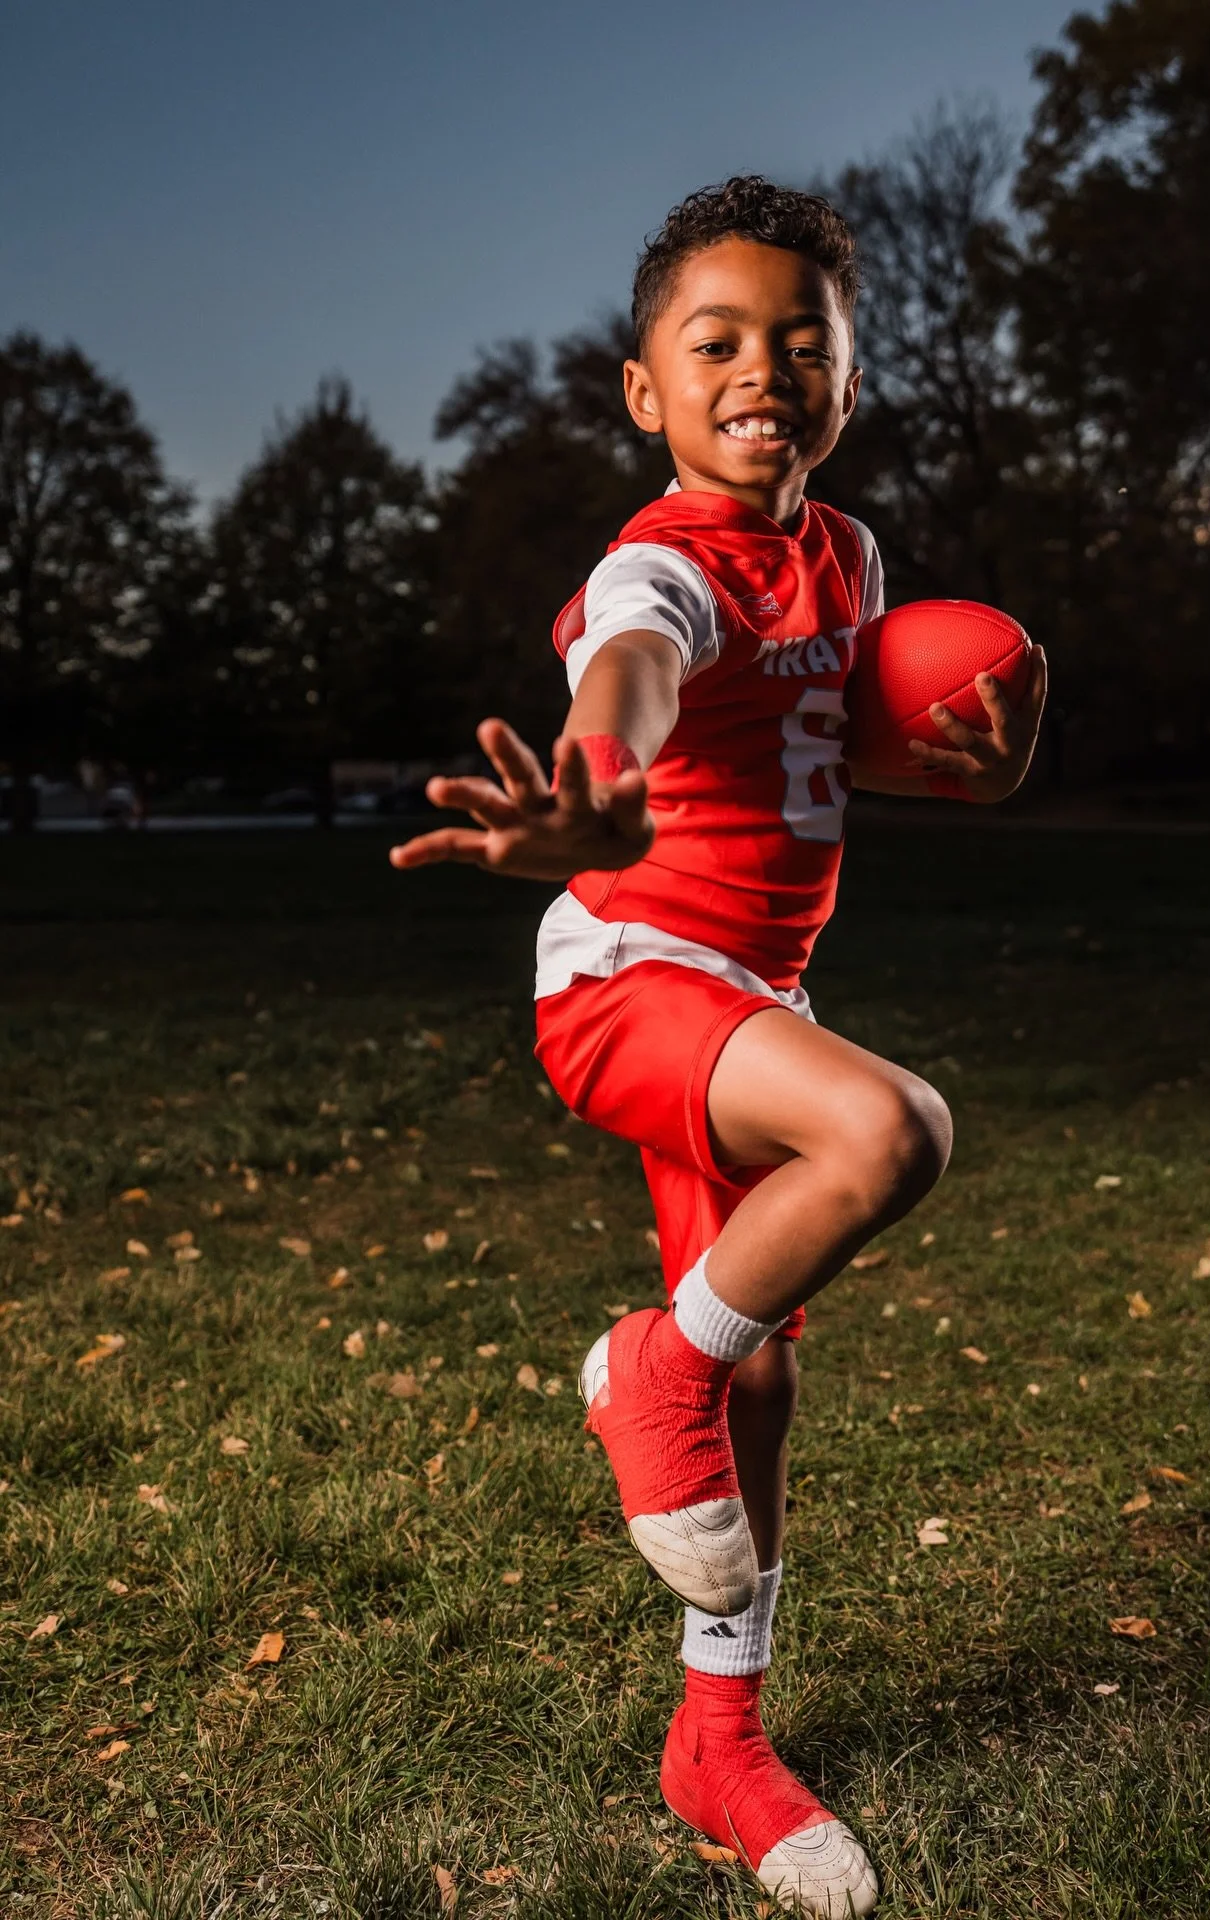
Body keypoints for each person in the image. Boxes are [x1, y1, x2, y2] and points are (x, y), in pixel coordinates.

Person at [392, 175, 1047, 1917]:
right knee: (886, 1138)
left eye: (803, 339)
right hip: (627, 968)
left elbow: (814, 736)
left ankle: (720, 1734)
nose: (765, 366)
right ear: (647, 391)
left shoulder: (843, 555)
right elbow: (634, 690)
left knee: (767, 1367)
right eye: (718, 341)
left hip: (754, 991)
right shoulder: (656, 563)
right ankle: (646, 1369)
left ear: (847, 378)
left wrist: (958, 756)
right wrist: (587, 803)